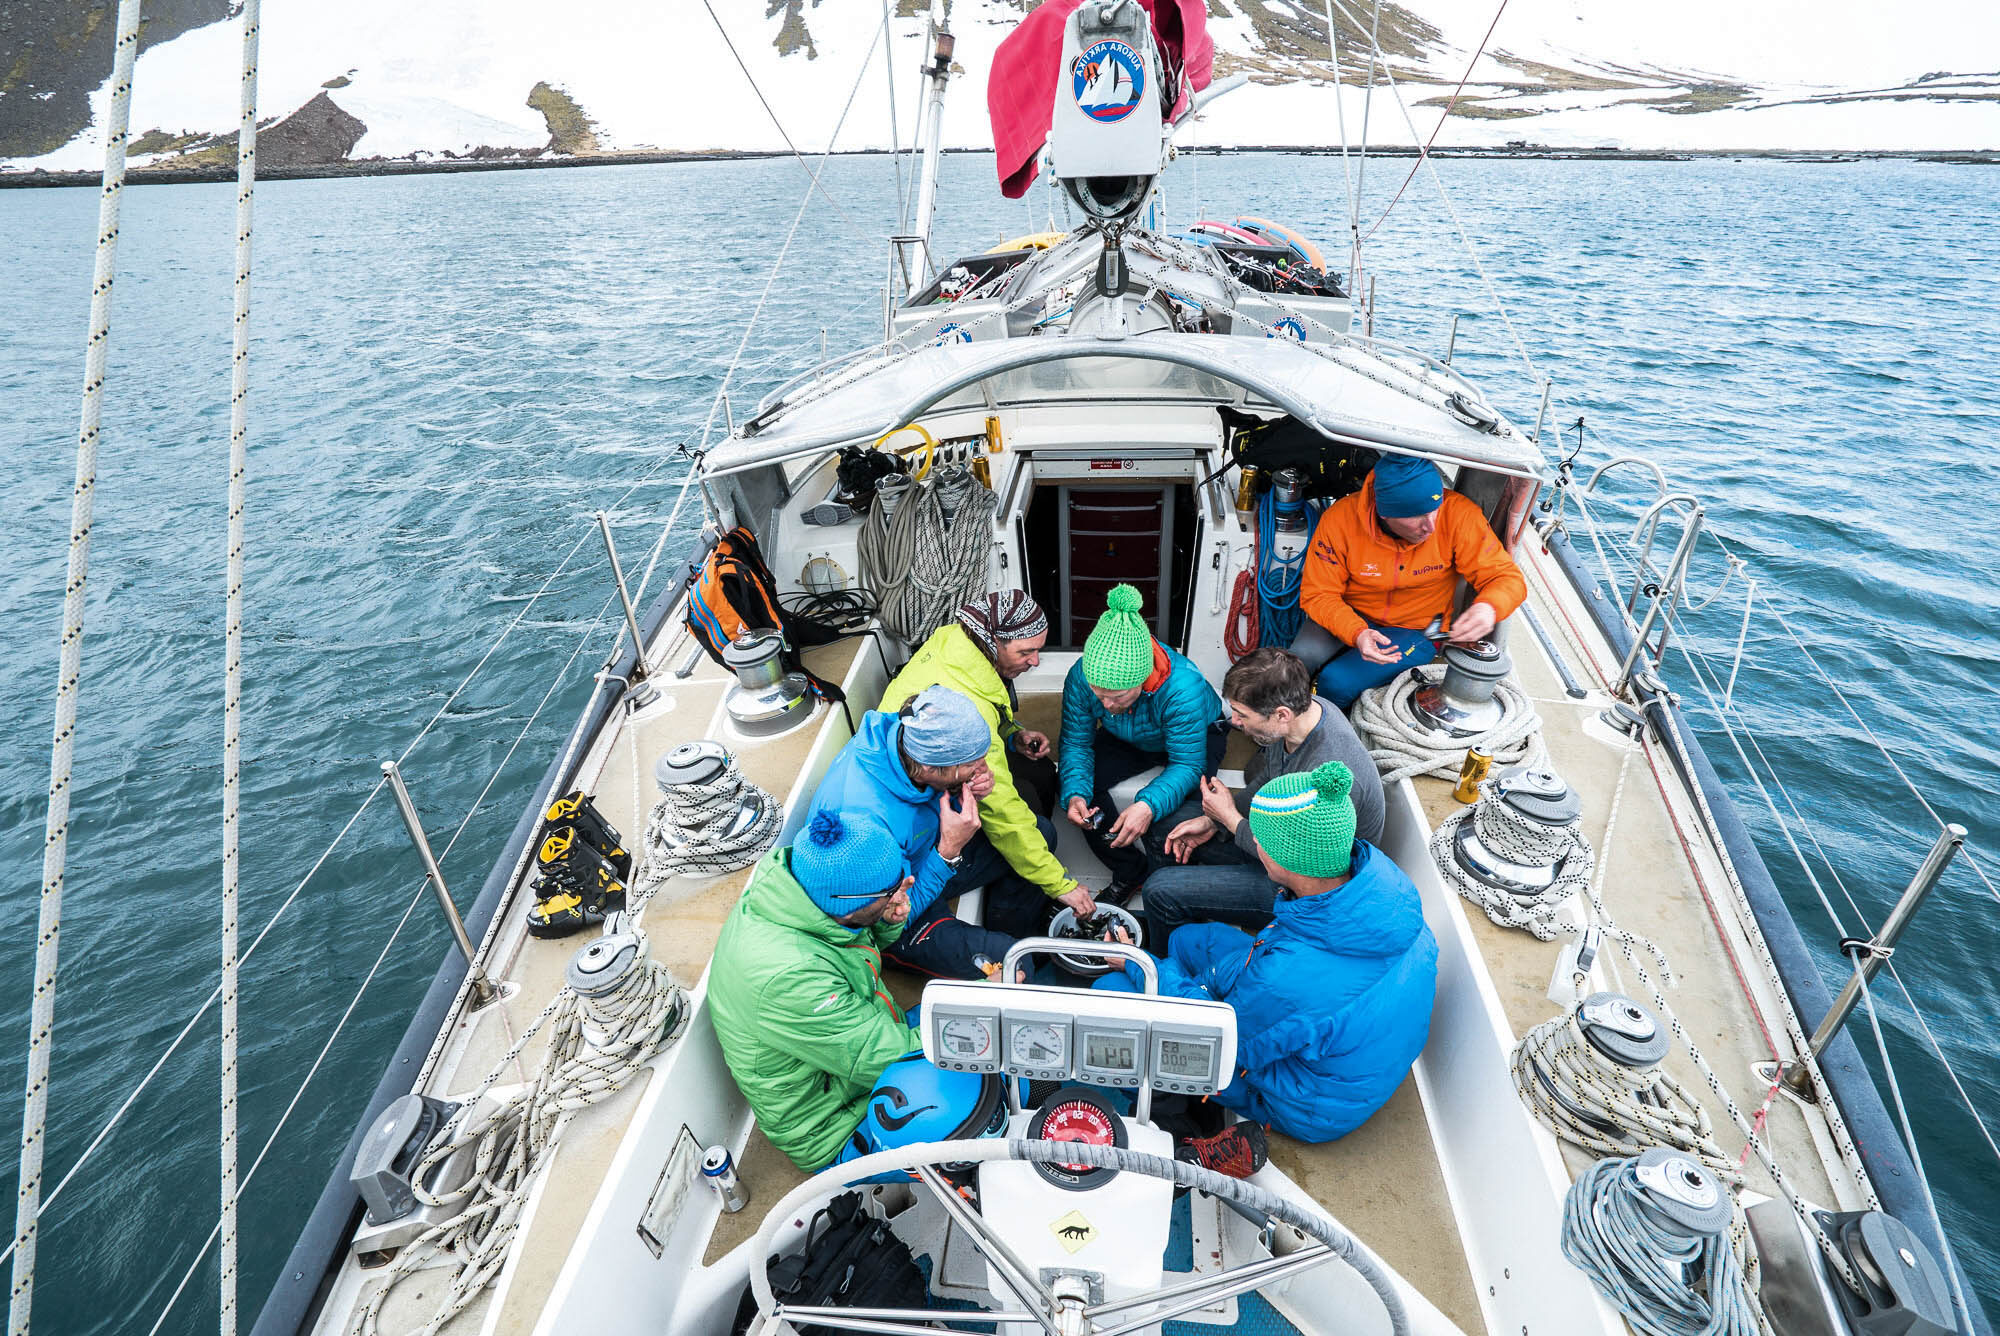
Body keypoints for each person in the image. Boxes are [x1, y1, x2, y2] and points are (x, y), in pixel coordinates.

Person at [1098, 762, 1438, 1144]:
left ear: (1287, 861)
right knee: (1188, 942)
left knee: (1112, 992)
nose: (1253, 843)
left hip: (1305, 1103)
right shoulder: (1379, 887)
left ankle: (1174, 1118)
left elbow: (1218, 1035)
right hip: (1330, 1034)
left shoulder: (1289, 979)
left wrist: (1137, 964)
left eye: (1260, 839)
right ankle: (1177, 993)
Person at [708, 809, 923, 1171]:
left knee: (964, 1014)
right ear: (850, 904)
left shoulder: (801, 897)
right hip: (835, 1125)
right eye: (891, 890)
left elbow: (857, 948)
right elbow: (887, 1060)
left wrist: (885, 919)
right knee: (983, 1104)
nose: (902, 889)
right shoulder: (789, 976)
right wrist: (985, 1018)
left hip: (860, 1052)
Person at [881, 591, 1094, 937]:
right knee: (1040, 833)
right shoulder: (972, 709)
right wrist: (1060, 884)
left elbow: (982, 710)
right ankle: (1012, 930)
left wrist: (1012, 735)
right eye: (1026, 652)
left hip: (932, 783)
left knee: (1040, 773)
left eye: (1039, 650)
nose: (1036, 662)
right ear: (993, 643)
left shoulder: (953, 639)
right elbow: (1004, 816)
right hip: (917, 853)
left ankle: (1018, 883)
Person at [1143, 647, 1385, 947]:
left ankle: (1162, 967)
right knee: (1162, 826)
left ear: (1281, 714)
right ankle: (1189, 918)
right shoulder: (1302, 718)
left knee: (1159, 891)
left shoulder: (1325, 769)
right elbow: (1266, 779)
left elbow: (1289, 862)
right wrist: (1211, 822)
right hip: (1276, 842)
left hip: (1305, 888)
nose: (1235, 722)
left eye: (1243, 714)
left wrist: (1229, 819)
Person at [802, 685, 1018, 979]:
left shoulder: (909, 734)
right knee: (1012, 963)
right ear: (930, 767)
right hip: (894, 912)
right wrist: (948, 853)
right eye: (971, 763)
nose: (982, 767)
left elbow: (935, 793)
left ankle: (999, 928)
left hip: (925, 855)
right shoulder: (868, 822)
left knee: (1039, 835)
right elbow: (883, 924)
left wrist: (965, 788)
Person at [1291, 454, 1525, 709]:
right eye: (1416, 517)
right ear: (1384, 513)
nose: (1431, 526)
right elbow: (1318, 594)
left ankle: (1327, 731)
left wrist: (1488, 607)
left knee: (1336, 682)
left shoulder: (1459, 515)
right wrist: (1357, 632)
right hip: (1347, 613)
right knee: (1297, 663)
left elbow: (1506, 577)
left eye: (1435, 511)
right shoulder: (1340, 520)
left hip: (1416, 628)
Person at [1057, 584, 1224, 899]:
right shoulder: (1081, 676)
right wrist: (1076, 794)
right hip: (1128, 733)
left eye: (1116, 696)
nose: (1104, 705)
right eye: (1098, 694)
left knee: (1184, 812)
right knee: (1078, 788)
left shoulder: (1182, 687)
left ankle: (1171, 890)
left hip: (1196, 736)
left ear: (1142, 679)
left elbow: (1187, 764)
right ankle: (1128, 869)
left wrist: (1147, 804)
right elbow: (1076, 744)